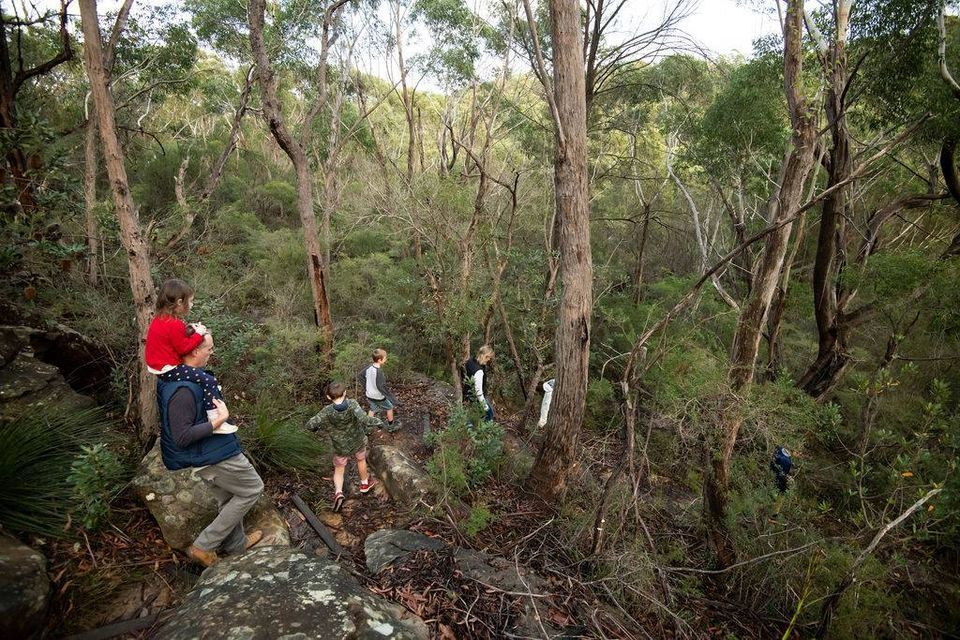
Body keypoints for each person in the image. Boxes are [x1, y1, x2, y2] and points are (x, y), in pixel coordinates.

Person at [157, 334, 264, 567]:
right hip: (215, 456)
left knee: (228, 497)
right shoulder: (183, 389)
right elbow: (182, 436)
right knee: (252, 488)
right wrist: (220, 419)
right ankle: (203, 545)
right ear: (194, 352)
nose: (211, 352)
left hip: (212, 451)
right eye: (209, 348)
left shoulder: (182, 376)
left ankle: (236, 546)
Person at [145, 278, 234, 430]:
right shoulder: (174, 323)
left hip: (158, 366)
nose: (192, 305)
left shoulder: (160, 319)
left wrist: (190, 330)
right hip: (168, 368)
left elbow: (175, 340)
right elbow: (184, 348)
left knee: (204, 377)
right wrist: (199, 334)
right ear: (179, 302)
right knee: (208, 380)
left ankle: (213, 411)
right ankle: (216, 418)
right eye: (190, 301)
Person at [306, 381, 384, 512]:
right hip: (357, 442)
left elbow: (310, 424)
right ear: (345, 393)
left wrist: (315, 428)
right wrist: (378, 421)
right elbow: (365, 419)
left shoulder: (327, 411)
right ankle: (364, 484)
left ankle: (338, 493)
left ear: (329, 397)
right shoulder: (352, 404)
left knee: (339, 469)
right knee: (361, 460)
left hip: (340, 447)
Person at [362, 348, 400, 432]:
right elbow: (381, 387)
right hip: (378, 396)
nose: (386, 359)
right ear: (380, 360)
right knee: (389, 407)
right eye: (385, 358)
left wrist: (367, 387)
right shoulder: (379, 372)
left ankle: (368, 428)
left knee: (372, 409)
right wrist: (393, 399)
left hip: (369, 394)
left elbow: (361, 376)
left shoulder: (369, 367)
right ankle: (391, 426)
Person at [462, 344, 495, 421]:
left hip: (467, 395)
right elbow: (478, 391)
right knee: (489, 416)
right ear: (484, 356)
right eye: (488, 357)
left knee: (471, 419)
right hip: (475, 399)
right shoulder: (479, 371)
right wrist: (485, 407)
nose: (489, 359)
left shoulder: (471, 361)